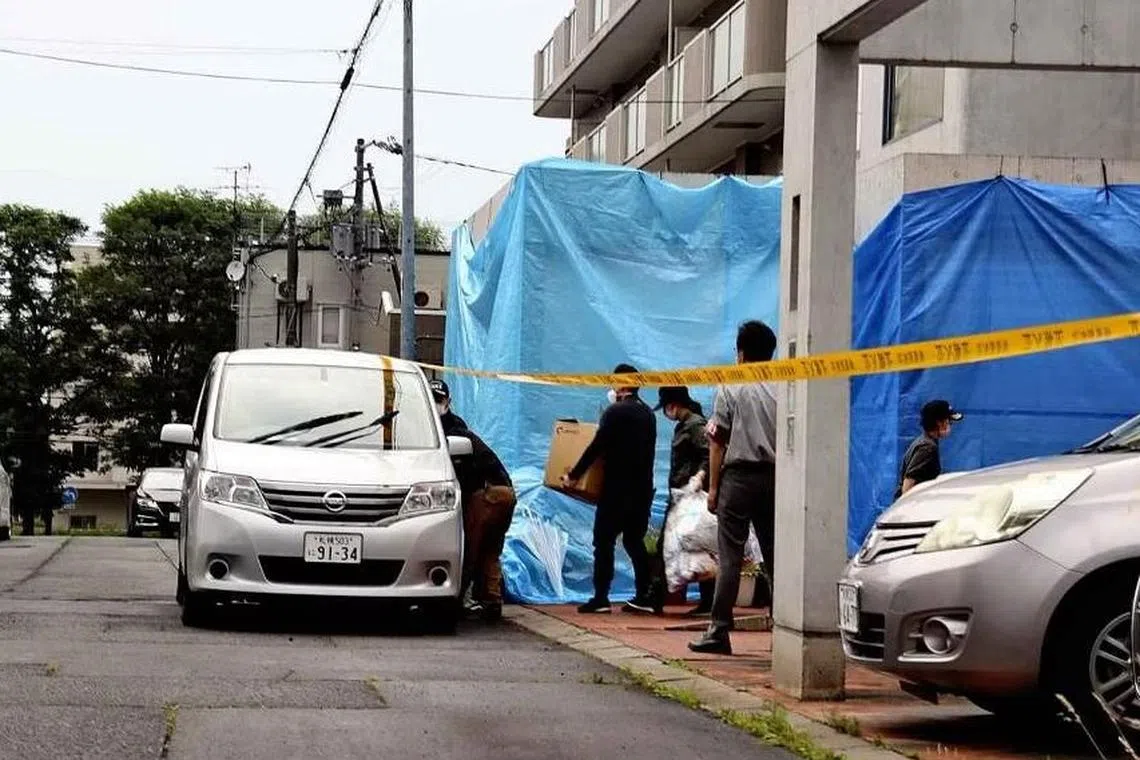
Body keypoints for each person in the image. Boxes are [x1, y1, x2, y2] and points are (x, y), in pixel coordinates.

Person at [690, 321, 779, 655]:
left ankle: (718, 630)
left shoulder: (730, 384)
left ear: (740, 353)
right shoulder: (785, 384)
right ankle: (783, 629)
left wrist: (713, 488)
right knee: (775, 556)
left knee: (730, 556)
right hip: (775, 477)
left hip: (738, 478)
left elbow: (717, 441)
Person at [562, 364, 657, 615]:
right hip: (642, 490)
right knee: (634, 541)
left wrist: (573, 475)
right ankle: (644, 594)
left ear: (623, 384)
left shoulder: (615, 412)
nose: (611, 388)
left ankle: (601, 597)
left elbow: (597, 445)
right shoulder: (648, 414)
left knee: (603, 542)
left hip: (616, 489)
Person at [438, 388, 517, 622]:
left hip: (487, 494)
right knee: (490, 549)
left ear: (448, 402)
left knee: (470, 547)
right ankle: (492, 600)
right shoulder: (459, 427)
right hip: (504, 491)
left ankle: (458, 601)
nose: (436, 404)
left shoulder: (447, 432)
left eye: (439, 400)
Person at [649, 385, 714, 616]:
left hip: (691, 496)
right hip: (681, 495)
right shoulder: (685, 425)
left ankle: (655, 598)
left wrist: (700, 476)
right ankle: (704, 601)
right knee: (692, 544)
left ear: (674, 405)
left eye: (666, 407)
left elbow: (709, 453)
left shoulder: (695, 425)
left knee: (694, 544)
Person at [895, 400, 963, 499]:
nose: (949, 425)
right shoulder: (927, 447)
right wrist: (908, 505)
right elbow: (909, 482)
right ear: (939, 423)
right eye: (949, 422)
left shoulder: (925, 442)